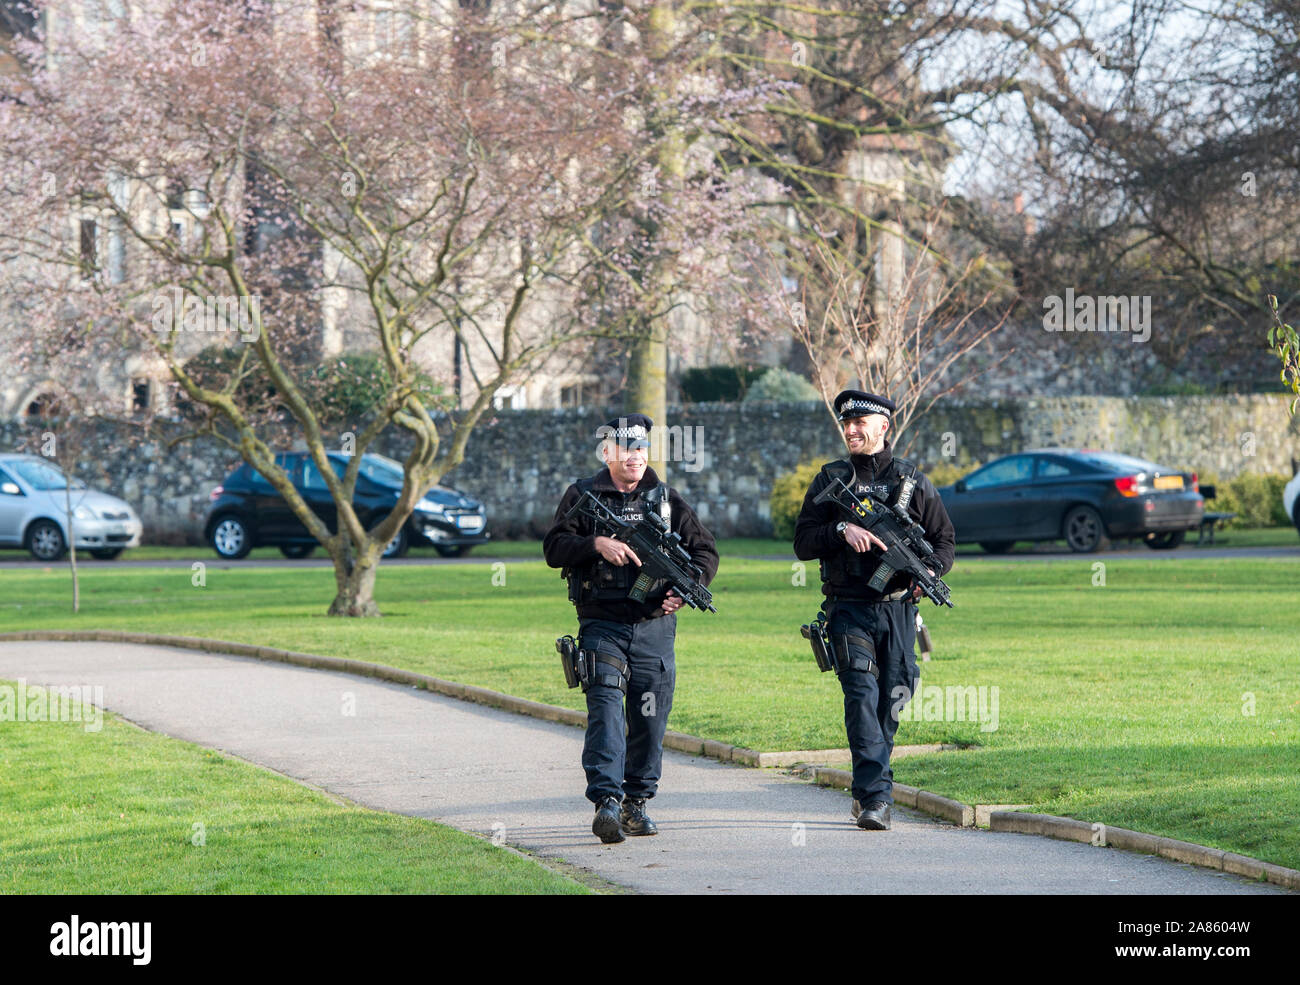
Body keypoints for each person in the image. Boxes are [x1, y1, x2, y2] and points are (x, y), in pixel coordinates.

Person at [543, 413, 719, 844]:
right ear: (608, 453)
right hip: (601, 624)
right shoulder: (582, 495)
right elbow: (553, 548)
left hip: (655, 627)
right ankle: (606, 800)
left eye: (641, 449)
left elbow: (705, 552)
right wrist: (594, 544)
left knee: (649, 718)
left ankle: (635, 803)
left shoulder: (666, 500)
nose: (635, 457)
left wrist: (686, 588)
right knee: (604, 710)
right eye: (626, 449)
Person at [793, 390, 955, 830]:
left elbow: (944, 541)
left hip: (899, 610)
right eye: (846, 424)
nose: (850, 431)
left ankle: (870, 783)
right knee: (862, 697)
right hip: (848, 608)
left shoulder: (913, 482)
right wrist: (841, 529)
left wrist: (928, 573)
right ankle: (875, 798)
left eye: (860, 423)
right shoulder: (830, 479)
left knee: (895, 697)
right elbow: (803, 541)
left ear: (884, 427)